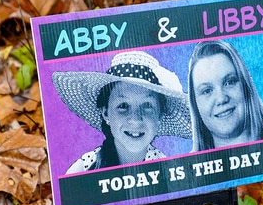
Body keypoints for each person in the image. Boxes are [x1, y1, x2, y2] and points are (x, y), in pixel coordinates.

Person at [53, 51, 192, 173]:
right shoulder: (84, 169)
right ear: (106, 113)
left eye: (147, 105)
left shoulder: (168, 171)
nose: (135, 119)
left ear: (159, 115)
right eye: (123, 105)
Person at [187, 40, 263, 151]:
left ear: (245, 84)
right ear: (195, 104)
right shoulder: (188, 166)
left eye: (229, 82)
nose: (221, 99)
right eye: (207, 91)